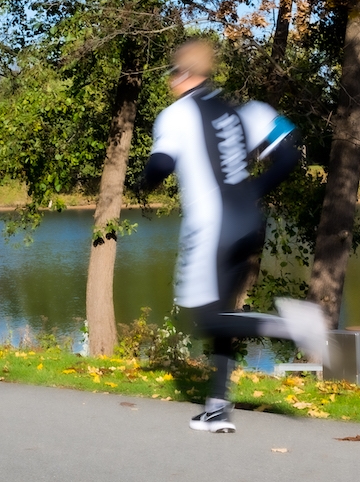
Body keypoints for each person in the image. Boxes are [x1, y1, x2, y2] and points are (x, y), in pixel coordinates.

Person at [137, 39, 328, 434]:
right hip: (250, 222)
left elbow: (158, 167)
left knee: (204, 318)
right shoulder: (248, 111)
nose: (171, 84)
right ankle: (218, 409)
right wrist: (252, 192)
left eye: (172, 75)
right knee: (224, 314)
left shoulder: (175, 116)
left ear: (184, 75)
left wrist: (143, 181)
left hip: (212, 228)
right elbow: (292, 155)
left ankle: (292, 327)